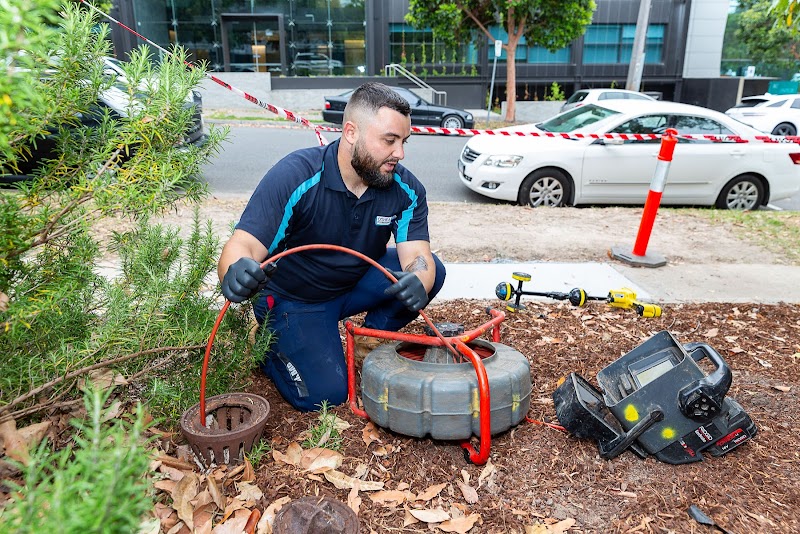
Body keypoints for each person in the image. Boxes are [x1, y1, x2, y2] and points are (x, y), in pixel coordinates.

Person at [218, 82, 446, 412]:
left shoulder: (405, 188)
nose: (400, 153)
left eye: (404, 141)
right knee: (326, 396)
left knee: (435, 271)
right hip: (296, 298)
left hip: (355, 281)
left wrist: (419, 280)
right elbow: (243, 245)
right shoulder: (296, 175)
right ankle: (268, 345)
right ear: (351, 132)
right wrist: (235, 270)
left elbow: (419, 257)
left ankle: (370, 339)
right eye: (389, 140)